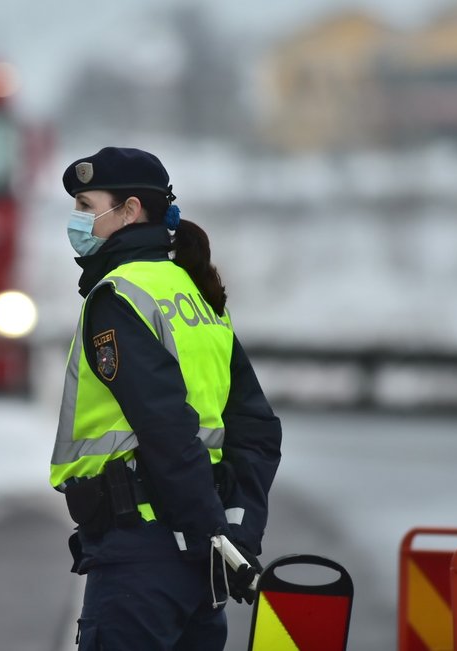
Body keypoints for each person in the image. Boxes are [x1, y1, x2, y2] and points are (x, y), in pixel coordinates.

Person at [49, 147, 282, 650]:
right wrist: (233, 533)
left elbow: (165, 429)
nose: (78, 220)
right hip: (197, 563)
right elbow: (256, 429)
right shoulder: (196, 295)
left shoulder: (118, 297)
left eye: (87, 206)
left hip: (140, 559)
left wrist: (211, 534)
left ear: (129, 210)